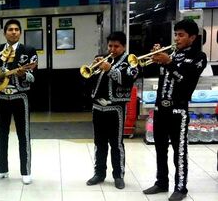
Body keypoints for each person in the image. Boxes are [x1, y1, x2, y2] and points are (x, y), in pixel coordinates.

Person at [142, 19, 207, 201]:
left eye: (181, 35)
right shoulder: (170, 52)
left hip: (179, 112)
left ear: (192, 37)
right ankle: (161, 182)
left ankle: (181, 187)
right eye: (175, 34)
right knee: (160, 148)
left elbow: (185, 82)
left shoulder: (198, 57)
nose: (176, 38)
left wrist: (169, 63)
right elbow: (151, 73)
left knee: (179, 151)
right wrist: (156, 57)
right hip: (160, 110)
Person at [0, 19, 38, 185]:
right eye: (10, 29)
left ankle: (26, 171)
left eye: (16, 29)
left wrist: (23, 74)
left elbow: (33, 78)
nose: (13, 32)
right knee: (1, 135)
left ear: (20, 32)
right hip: (1, 97)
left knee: (23, 135)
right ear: (5, 33)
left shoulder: (29, 51)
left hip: (20, 97)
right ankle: (1, 170)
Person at [85, 31, 138, 189]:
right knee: (99, 143)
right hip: (98, 107)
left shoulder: (130, 61)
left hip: (115, 108)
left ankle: (118, 175)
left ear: (124, 46)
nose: (112, 49)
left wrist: (109, 69)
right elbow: (90, 80)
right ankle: (99, 173)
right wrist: (94, 68)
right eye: (110, 46)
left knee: (116, 144)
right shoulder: (103, 58)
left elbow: (128, 80)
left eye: (116, 46)